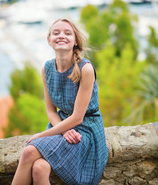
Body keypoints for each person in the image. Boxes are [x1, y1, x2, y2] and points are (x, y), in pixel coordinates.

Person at [11, 18, 109, 185]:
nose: (61, 36)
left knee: (29, 152)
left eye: (67, 33)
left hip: (85, 131)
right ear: (49, 40)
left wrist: (40, 136)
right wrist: (63, 131)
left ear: (75, 41)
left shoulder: (85, 69)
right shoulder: (47, 68)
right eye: (56, 33)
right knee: (39, 168)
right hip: (61, 125)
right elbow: (51, 111)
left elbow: (78, 118)